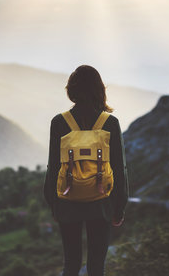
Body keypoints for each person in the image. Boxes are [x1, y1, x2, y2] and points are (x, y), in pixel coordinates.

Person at [44, 65, 129, 276]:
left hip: (67, 199)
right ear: (99, 89)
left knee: (71, 264)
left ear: (71, 89)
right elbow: (119, 168)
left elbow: (53, 166)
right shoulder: (110, 123)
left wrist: (53, 205)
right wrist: (119, 207)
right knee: (96, 267)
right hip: (101, 202)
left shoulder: (59, 122)